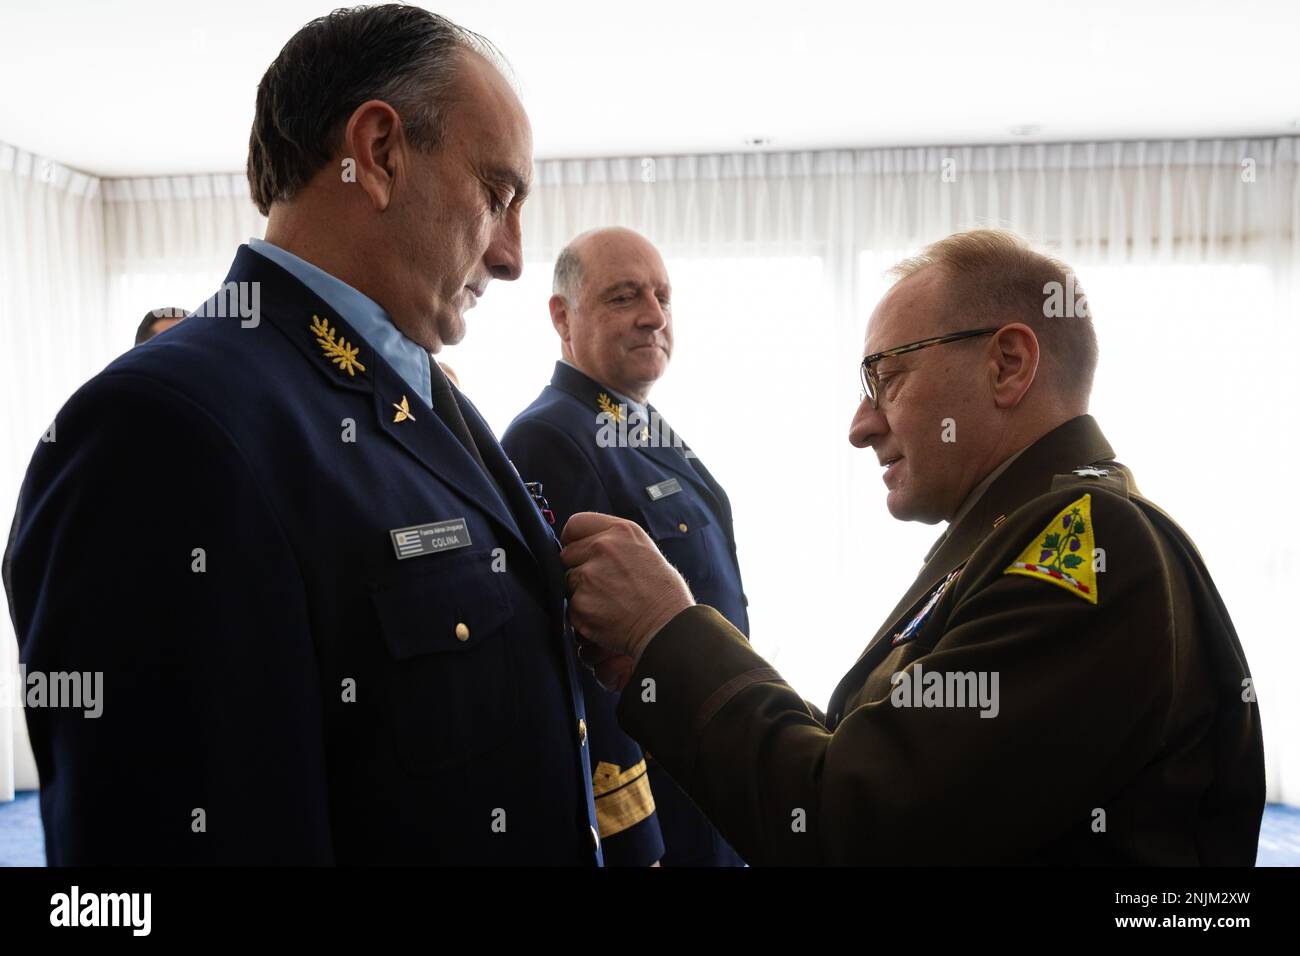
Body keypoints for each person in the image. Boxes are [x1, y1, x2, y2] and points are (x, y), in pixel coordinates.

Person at [5, 5, 603, 864]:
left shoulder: (419, 391)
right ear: (380, 153)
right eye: (498, 195)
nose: (512, 255)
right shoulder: (162, 430)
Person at [560, 229, 1266, 865]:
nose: (861, 425)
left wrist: (668, 631)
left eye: (887, 378)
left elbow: (857, 828)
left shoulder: (1090, 544)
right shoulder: (1024, 531)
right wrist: (666, 654)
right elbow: (870, 757)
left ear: (1008, 364)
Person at [502, 227, 746, 866]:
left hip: (716, 767)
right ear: (563, 316)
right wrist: (631, 830)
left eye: (663, 296)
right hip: (665, 804)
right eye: (624, 297)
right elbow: (579, 654)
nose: (654, 316)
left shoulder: (635, 421)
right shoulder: (548, 438)